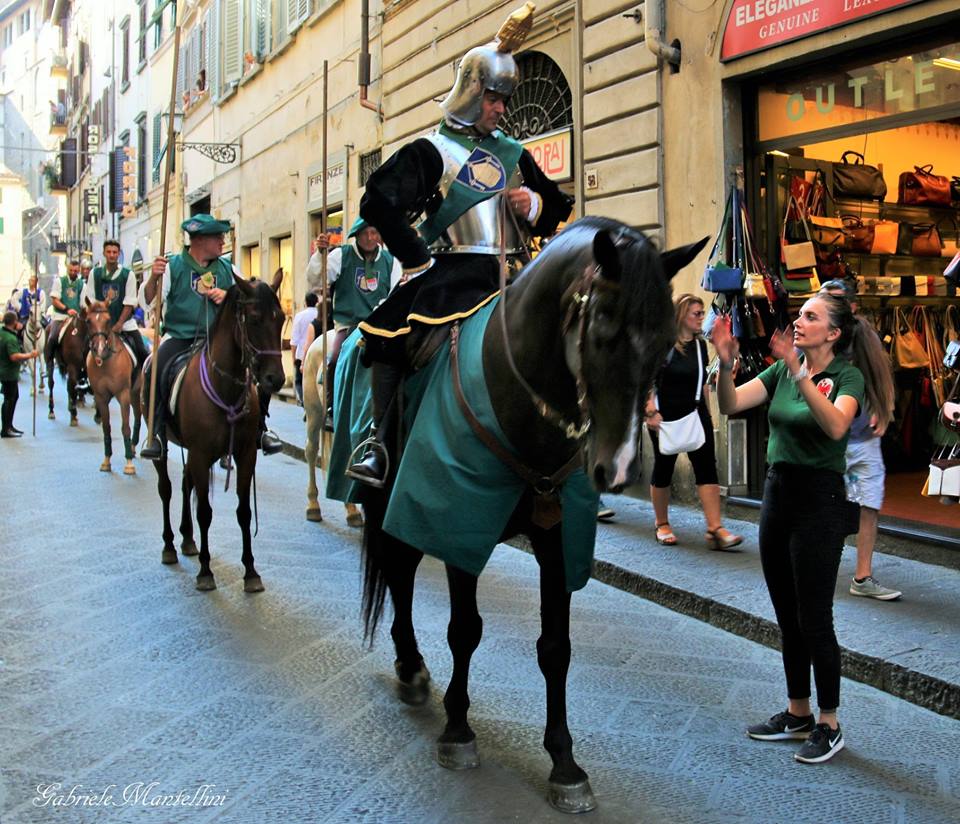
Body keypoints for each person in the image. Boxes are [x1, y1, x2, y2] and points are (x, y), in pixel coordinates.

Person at [347, 3, 573, 485]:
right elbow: (377, 202)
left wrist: (531, 204)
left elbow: (558, 208)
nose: (501, 109)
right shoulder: (432, 152)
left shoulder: (514, 154)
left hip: (517, 270)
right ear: (472, 93)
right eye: (494, 98)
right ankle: (378, 441)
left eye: (506, 100)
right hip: (453, 273)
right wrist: (417, 256)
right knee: (389, 333)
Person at [714, 293, 866, 764]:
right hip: (777, 496)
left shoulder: (846, 377)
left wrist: (800, 373)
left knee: (814, 616)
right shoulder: (781, 370)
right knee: (786, 613)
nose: (798, 322)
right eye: (800, 314)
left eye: (810, 316)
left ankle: (829, 722)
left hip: (820, 500)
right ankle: (797, 712)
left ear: (833, 333)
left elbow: (836, 426)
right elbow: (732, 404)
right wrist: (723, 366)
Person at [139, 214, 282, 459]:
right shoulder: (173, 266)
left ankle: (260, 429)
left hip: (219, 341)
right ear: (200, 240)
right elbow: (149, 299)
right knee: (156, 366)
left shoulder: (228, 268)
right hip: (180, 337)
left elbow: (249, 299)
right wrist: (154, 276)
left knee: (259, 368)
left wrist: (226, 294)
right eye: (218, 237)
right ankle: (157, 433)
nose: (222, 241)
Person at [819, 279, 900, 601]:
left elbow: (881, 374)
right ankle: (818, 568)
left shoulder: (864, 335)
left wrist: (885, 408)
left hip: (862, 435)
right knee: (825, 506)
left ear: (852, 308)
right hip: (825, 440)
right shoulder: (811, 337)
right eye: (826, 302)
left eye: (837, 303)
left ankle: (862, 576)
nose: (830, 309)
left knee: (868, 505)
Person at [644, 294, 743, 550]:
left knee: (707, 467)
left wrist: (708, 412)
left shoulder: (700, 347)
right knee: (664, 468)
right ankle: (662, 523)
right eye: (696, 313)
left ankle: (715, 528)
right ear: (680, 316)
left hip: (696, 412)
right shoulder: (661, 344)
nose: (701, 318)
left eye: (701, 313)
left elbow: (702, 382)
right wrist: (650, 411)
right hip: (665, 415)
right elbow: (647, 381)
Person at [304, 219, 402, 420]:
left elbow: (395, 293)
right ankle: (331, 405)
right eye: (365, 233)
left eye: (374, 233)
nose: (370, 238)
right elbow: (316, 280)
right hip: (348, 325)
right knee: (336, 355)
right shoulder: (341, 256)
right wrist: (320, 255)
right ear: (356, 234)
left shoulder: (390, 261)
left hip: (378, 326)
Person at [81, 241, 151, 372]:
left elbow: (129, 302)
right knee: (83, 348)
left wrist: (119, 324)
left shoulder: (127, 274)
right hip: (100, 326)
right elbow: (90, 299)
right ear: (104, 253)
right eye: (108, 252)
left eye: (114, 252)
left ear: (118, 254)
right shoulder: (94, 274)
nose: (111, 255)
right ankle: (84, 378)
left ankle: (145, 378)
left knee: (142, 350)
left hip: (125, 324)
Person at [0, 310, 39, 436]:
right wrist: (30, 354)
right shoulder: (10, 338)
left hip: (6, 371)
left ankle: (9, 425)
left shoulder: (2, 333)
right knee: (9, 399)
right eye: (17, 321)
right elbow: (14, 356)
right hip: (9, 373)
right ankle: (5, 429)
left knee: (13, 397)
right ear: (14, 322)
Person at [45, 259, 85, 365]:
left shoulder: (82, 284)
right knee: (52, 337)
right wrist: (67, 309)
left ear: (79, 270)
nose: (73, 273)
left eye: (75, 271)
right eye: (71, 270)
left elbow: (83, 303)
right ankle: (49, 362)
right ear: (67, 269)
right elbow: (55, 300)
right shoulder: (60, 281)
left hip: (76, 317)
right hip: (60, 316)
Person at [290, 292, 319, 406]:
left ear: (305, 302)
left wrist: (293, 357)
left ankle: (304, 402)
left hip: (301, 352)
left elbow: (294, 338)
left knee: (300, 381)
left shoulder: (300, 316)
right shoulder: (320, 314)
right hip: (317, 351)